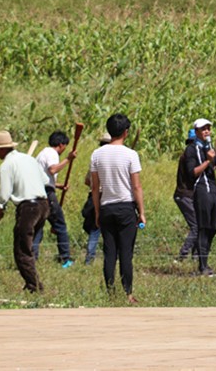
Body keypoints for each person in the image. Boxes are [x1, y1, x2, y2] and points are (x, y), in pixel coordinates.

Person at [90, 114, 145, 303]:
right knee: (126, 254)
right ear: (126, 132)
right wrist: (142, 212)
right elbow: (136, 186)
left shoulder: (97, 154)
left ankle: (111, 293)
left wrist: (97, 211)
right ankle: (128, 293)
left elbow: (95, 187)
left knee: (110, 253)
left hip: (106, 207)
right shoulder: (131, 155)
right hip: (126, 207)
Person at [0, 130, 49, 293]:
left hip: (29, 208)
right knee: (28, 246)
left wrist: (0, 208)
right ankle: (31, 283)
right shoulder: (29, 159)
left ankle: (34, 287)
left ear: (1, 149)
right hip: (43, 205)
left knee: (21, 250)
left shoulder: (6, 166)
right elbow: (45, 180)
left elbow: (4, 193)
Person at [184, 118, 216, 276]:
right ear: (196, 131)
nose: (207, 131)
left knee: (213, 227)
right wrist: (208, 161)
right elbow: (193, 172)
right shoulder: (191, 150)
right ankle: (202, 265)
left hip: (213, 190)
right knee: (203, 227)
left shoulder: (209, 147)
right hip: (201, 190)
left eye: (208, 128)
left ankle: (205, 261)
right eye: (203, 129)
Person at [33, 130, 77, 268]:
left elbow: (44, 177)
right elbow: (53, 170)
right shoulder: (52, 153)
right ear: (61, 145)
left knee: (38, 226)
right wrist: (68, 159)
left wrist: (58, 185)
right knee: (60, 225)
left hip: (36, 192)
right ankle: (65, 259)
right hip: (47, 194)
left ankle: (32, 258)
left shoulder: (41, 154)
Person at [81, 131, 111, 265]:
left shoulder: (96, 158)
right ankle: (110, 257)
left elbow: (87, 181)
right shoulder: (115, 158)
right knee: (108, 230)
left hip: (95, 196)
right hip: (108, 196)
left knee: (95, 228)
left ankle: (89, 259)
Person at [173, 128, 198, 261]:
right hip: (185, 195)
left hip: (186, 195)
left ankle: (196, 255)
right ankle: (184, 253)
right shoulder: (190, 155)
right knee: (196, 226)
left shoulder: (189, 154)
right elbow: (193, 174)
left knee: (198, 225)